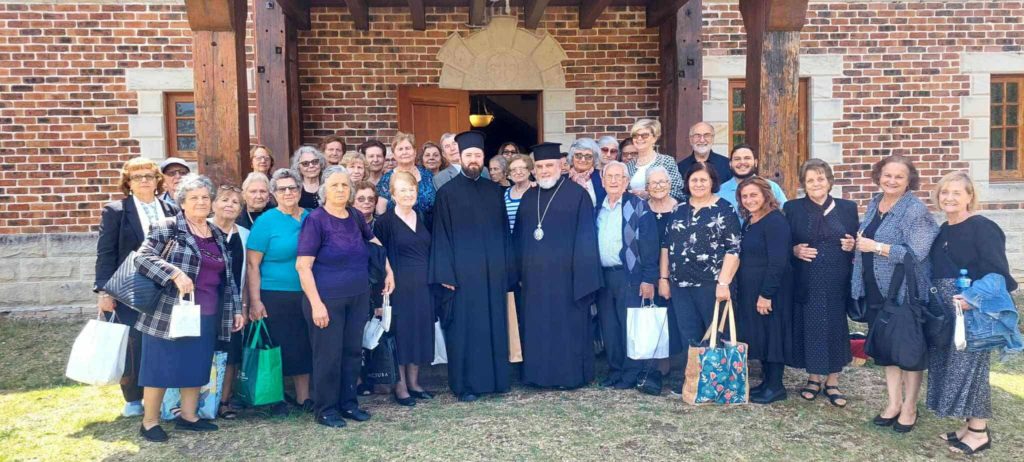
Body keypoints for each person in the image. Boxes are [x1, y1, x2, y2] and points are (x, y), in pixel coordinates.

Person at [134, 174, 244, 443]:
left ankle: (189, 416)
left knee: (196, 365)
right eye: (194, 197)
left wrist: (237, 309)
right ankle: (149, 423)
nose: (201, 202)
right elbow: (142, 257)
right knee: (159, 365)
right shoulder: (168, 227)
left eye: (205, 197)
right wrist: (173, 273)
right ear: (182, 202)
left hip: (206, 312)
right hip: (168, 312)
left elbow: (227, 277)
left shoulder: (216, 232)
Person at [928, 172, 1018, 455]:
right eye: (945, 193)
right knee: (955, 368)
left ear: (970, 196)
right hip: (947, 313)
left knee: (972, 370)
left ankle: (979, 432)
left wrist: (972, 298)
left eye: (957, 192)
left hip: (971, 312)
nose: (950, 198)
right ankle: (968, 427)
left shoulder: (983, 227)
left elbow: (998, 273)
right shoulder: (944, 228)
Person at [297, 166, 394, 427]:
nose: (340, 189)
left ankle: (348, 404)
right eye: (335, 185)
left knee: (352, 352)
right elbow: (303, 266)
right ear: (324, 190)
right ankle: (326, 409)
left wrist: (388, 271)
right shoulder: (315, 220)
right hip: (326, 300)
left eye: (344, 185)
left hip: (358, 296)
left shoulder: (354, 215)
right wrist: (316, 305)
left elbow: (374, 243)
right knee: (328, 356)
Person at [851, 155, 938, 433]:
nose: (892, 181)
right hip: (876, 288)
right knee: (887, 348)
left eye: (899, 177)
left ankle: (910, 407)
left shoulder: (915, 210)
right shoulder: (876, 202)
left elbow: (917, 254)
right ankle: (893, 402)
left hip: (902, 292)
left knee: (907, 349)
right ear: (879, 176)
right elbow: (865, 238)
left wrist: (875, 247)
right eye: (887, 175)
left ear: (909, 180)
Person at [429, 130, 516, 402]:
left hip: (492, 275)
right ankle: (465, 385)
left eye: (478, 155)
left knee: (494, 325)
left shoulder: (494, 192)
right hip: (463, 278)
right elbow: (440, 236)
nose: (474, 160)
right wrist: (446, 274)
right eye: (469, 155)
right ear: (460, 157)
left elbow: (504, 233)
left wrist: (507, 270)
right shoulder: (446, 193)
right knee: (466, 330)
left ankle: (497, 381)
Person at [513, 142, 603, 389]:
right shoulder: (529, 198)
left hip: (568, 281)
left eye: (549, 165)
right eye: (539, 166)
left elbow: (586, 239)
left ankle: (568, 377)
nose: (544, 171)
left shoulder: (577, 195)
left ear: (561, 166)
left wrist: (583, 280)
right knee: (537, 327)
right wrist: (518, 273)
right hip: (534, 281)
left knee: (567, 329)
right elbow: (519, 239)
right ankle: (537, 376)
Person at [94, 157, 178, 418]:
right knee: (133, 342)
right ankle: (133, 399)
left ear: (157, 181)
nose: (144, 181)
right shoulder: (116, 211)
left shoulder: (171, 209)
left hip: (165, 286)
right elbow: (106, 253)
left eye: (149, 176)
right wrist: (104, 291)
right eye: (137, 177)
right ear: (128, 183)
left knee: (163, 341)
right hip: (129, 286)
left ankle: (164, 395)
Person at [657, 162, 741, 393]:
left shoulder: (724, 208)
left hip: (711, 284)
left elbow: (733, 250)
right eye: (694, 180)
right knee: (689, 334)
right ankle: (693, 381)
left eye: (703, 180)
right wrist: (663, 278)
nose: (698, 184)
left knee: (714, 333)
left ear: (713, 182)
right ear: (687, 183)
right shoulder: (678, 209)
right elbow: (666, 246)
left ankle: (717, 383)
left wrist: (724, 283)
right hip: (680, 285)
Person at [784, 159, 857, 407]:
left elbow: (858, 239)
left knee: (836, 324)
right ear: (804, 184)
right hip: (808, 277)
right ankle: (813, 378)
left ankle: (833, 381)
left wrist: (853, 246)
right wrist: (794, 250)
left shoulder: (847, 208)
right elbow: (784, 241)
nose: (816, 183)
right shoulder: (793, 208)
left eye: (820, 178)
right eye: (810, 179)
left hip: (837, 276)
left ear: (829, 181)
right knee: (811, 324)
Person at [246, 169, 313, 415]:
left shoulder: (312, 217)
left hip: (308, 293)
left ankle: (304, 397)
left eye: (292, 188)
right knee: (278, 346)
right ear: (273, 194)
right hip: (274, 294)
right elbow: (253, 264)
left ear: (300, 190)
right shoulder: (266, 222)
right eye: (282, 189)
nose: (288, 193)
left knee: (303, 344)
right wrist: (255, 301)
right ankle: (276, 398)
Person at [594, 161, 658, 390]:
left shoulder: (638, 206)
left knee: (629, 326)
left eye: (618, 176)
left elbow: (650, 246)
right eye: (608, 176)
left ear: (626, 181)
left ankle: (631, 373)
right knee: (609, 327)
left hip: (629, 276)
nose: (613, 180)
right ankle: (615, 371)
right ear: (602, 181)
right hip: (603, 277)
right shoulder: (596, 209)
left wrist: (649, 279)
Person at [373, 171, 435, 406]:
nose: (408, 194)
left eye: (411, 190)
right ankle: (400, 387)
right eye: (402, 191)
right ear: (392, 194)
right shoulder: (385, 222)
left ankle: (414, 383)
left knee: (419, 333)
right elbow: (378, 259)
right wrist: (380, 294)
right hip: (397, 287)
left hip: (423, 287)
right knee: (400, 335)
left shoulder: (423, 217)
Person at [735, 177, 798, 404]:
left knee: (774, 334)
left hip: (772, 289)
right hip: (751, 287)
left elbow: (778, 261)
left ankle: (776, 386)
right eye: (745, 196)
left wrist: (766, 294)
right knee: (761, 333)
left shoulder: (775, 221)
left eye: (754, 195)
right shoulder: (750, 220)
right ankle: (766, 382)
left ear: (765, 196)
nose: (749, 200)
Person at [207, 184, 249, 419]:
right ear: (213, 204)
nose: (229, 205)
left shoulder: (244, 235)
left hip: (232, 304)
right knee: (204, 350)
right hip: (205, 301)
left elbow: (246, 276)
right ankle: (202, 400)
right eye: (224, 200)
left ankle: (224, 400)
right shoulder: (202, 230)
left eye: (235, 202)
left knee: (231, 353)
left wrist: (242, 307)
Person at [641, 166, 679, 395]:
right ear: (646, 188)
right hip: (647, 275)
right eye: (653, 183)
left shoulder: (680, 209)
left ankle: (676, 373)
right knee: (652, 323)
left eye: (662, 182)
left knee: (675, 323)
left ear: (670, 184)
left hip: (675, 277)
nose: (658, 186)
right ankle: (653, 373)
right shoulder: (640, 209)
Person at [376, 132, 436, 217]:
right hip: (397, 228)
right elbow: (380, 211)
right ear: (394, 155)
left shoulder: (428, 175)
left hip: (428, 228)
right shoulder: (387, 179)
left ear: (415, 152)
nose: (404, 152)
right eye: (400, 149)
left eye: (408, 148)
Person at [719, 144, 787, 217]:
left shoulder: (771, 187)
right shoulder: (720, 191)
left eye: (747, 158)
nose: (742, 162)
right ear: (730, 164)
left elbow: (786, 214)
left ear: (756, 163)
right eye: (737, 159)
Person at [624, 119, 685, 201]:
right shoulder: (629, 165)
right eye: (635, 135)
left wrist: (650, 195)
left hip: (660, 211)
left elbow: (678, 192)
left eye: (644, 135)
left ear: (654, 138)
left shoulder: (666, 161)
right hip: (635, 212)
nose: (639, 138)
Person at [567, 137, 605, 207]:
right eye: (578, 155)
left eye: (588, 156)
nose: (583, 160)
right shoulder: (563, 179)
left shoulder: (602, 176)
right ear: (572, 157)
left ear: (594, 159)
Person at [505, 154, 533, 232]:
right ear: (509, 174)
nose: (518, 172)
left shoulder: (537, 190)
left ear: (529, 170)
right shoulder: (506, 193)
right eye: (513, 169)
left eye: (522, 168)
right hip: (511, 240)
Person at [292, 146, 326, 210]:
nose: (311, 166)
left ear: (320, 164)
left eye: (315, 162)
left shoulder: (328, 185)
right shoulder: (295, 188)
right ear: (298, 167)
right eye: (305, 163)